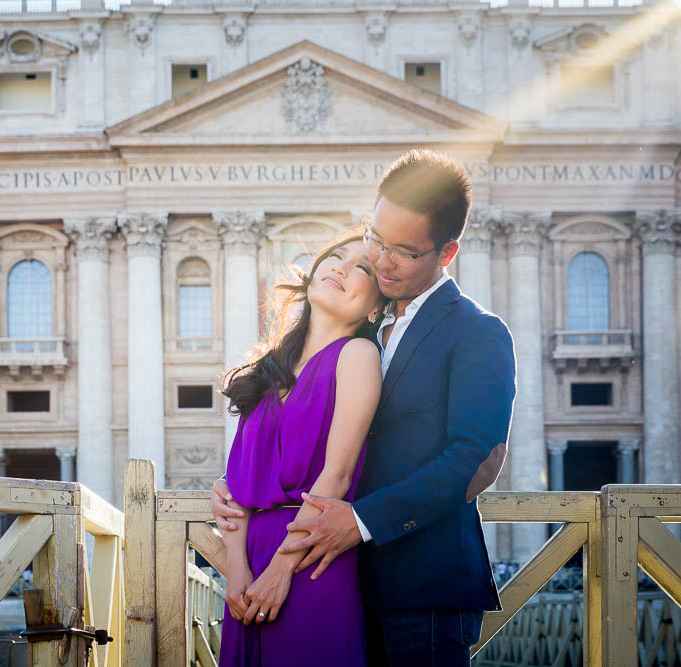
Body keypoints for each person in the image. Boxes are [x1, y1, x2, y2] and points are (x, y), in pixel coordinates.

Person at [213, 149, 516, 666]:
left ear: (447, 253)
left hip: (423, 590)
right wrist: (237, 492)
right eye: (375, 237)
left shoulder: (478, 332)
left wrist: (361, 521)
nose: (380, 259)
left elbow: (475, 459)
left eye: (402, 250)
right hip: (340, 579)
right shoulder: (359, 332)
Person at [217, 227, 387, 666]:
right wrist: (235, 570)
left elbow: (337, 474)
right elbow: (236, 485)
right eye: (335, 256)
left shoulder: (358, 355)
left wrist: (279, 570)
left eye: (362, 268)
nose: (342, 268)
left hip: (310, 562)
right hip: (249, 568)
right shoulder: (268, 374)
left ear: (374, 308)